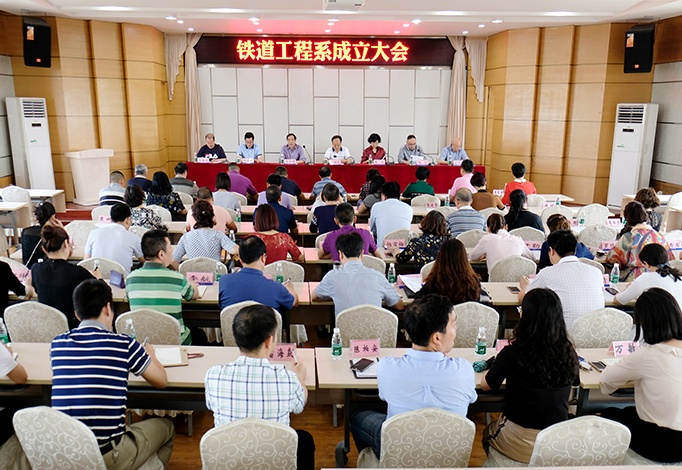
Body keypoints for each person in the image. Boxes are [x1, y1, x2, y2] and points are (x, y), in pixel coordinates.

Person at [51, 280, 174, 470]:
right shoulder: (123, 344)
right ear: (108, 308)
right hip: (107, 454)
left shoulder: (57, 344)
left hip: (65, 453)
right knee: (167, 428)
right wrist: (151, 355)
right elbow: (162, 381)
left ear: (76, 314)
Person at [350, 294, 477, 459]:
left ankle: (378, 461)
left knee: (358, 417)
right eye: (454, 324)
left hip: (401, 450)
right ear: (437, 338)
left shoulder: (387, 367)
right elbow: (471, 399)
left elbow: (384, 396)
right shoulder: (464, 370)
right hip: (447, 452)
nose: (456, 329)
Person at [204, 304, 314, 470]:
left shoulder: (214, 375)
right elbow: (299, 406)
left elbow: (210, 405)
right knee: (304, 439)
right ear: (269, 341)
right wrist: (299, 376)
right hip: (273, 459)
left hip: (230, 459)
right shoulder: (287, 379)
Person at [482, 288, 580, 464]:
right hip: (555, 443)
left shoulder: (512, 353)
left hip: (519, 442)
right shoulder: (569, 352)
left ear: (526, 317)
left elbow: (487, 385)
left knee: (486, 433)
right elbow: (575, 382)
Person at [600, 288, 682, 463]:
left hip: (665, 445)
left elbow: (606, 382)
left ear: (645, 323)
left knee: (609, 414)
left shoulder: (647, 354)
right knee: (629, 412)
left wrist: (632, 374)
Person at [126, 230, 200, 345]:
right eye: (170, 247)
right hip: (175, 343)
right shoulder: (177, 278)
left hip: (143, 344)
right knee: (199, 334)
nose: (172, 250)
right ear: (161, 254)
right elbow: (194, 295)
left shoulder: (130, 279)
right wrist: (193, 285)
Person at [520, 230, 604, 330]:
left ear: (552, 251)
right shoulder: (596, 271)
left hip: (562, 335)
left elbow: (524, 299)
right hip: (595, 333)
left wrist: (525, 286)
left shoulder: (547, 273)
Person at [312, 232, 404, 317]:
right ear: (362, 253)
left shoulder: (332, 277)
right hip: (374, 329)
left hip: (344, 329)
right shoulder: (378, 277)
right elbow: (399, 306)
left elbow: (314, 297)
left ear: (341, 254)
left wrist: (334, 295)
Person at [29, 225, 98, 329]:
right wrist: (98, 277)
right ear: (66, 243)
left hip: (46, 328)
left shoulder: (36, 269)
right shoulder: (78, 272)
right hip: (73, 328)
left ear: (44, 249)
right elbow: (102, 291)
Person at [218, 236, 298, 311]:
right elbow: (294, 302)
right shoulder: (277, 288)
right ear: (263, 257)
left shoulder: (224, 281)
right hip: (265, 322)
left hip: (234, 322)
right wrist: (290, 288)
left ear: (240, 258)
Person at [606, 201, 674, 282]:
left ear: (627, 219)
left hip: (637, 277)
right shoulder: (659, 236)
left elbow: (614, 259)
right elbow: (670, 258)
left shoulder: (628, 238)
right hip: (660, 277)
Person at [172, 201, 238, 268]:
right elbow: (235, 250)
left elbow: (173, 260)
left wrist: (183, 271)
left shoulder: (186, 237)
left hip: (192, 274)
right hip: (214, 273)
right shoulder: (218, 235)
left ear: (195, 218)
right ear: (212, 217)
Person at [84, 203, 144, 275]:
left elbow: (86, 262)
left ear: (111, 218)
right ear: (128, 219)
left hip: (98, 279)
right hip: (122, 280)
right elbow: (145, 260)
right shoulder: (133, 238)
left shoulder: (93, 233)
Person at [615, 243, 682, 307]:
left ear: (646, 264)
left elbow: (619, 300)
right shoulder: (678, 277)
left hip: (657, 315)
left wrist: (627, 289)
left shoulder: (646, 278)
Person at [415, 239, 481, 305]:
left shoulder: (434, 283)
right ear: (464, 259)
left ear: (440, 258)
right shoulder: (473, 283)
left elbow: (418, 300)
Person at [469, 213, 534, 272]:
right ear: (506, 227)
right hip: (517, 279)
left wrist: (483, 256)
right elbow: (532, 258)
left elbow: (472, 256)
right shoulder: (518, 240)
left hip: (495, 280)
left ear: (488, 229)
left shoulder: (486, 239)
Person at [369, 181, 413, 247]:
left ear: (384, 196)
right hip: (404, 249)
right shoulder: (408, 208)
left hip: (382, 250)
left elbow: (373, 229)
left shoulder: (376, 206)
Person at [21, 201, 63, 268]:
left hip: (28, 269)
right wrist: (61, 229)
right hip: (48, 270)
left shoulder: (26, 232)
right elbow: (66, 251)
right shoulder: (54, 233)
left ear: (36, 217)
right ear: (53, 217)